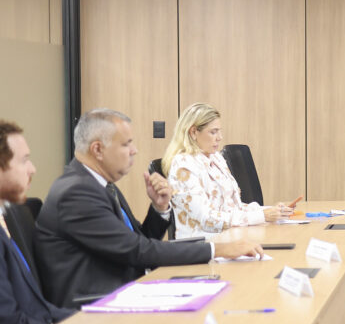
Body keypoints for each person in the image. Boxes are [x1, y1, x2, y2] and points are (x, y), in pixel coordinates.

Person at [34, 109, 263, 309]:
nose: (134, 150)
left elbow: (137, 241)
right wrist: (218, 249)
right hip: (97, 303)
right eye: (126, 144)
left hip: (126, 288)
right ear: (98, 149)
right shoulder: (76, 193)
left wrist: (159, 209)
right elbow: (137, 251)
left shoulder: (99, 184)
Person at [163, 103, 296, 239]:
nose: (219, 137)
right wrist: (262, 215)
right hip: (203, 244)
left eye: (219, 131)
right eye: (213, 132)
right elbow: (206, 219)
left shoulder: (216, 158)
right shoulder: (184, 165)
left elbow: (233, 208)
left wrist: (270, 211)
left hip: (229, 237)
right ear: (193, 132)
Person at [0, 121, 74, 324]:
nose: (32, 169)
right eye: (24, 161)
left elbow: (35, 307)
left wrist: (87, 321)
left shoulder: (4, 222)